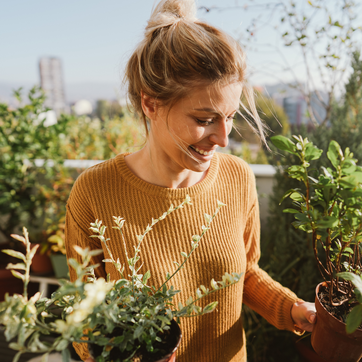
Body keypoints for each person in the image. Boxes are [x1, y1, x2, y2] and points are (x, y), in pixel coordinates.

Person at [65, 1, 316, 361]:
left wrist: (294, 309)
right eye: (204, 119)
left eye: (229, 117)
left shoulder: (237, 178)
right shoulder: (94, 192)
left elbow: (244, 274)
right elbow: (82, 320)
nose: (223, 138)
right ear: (150, 104)